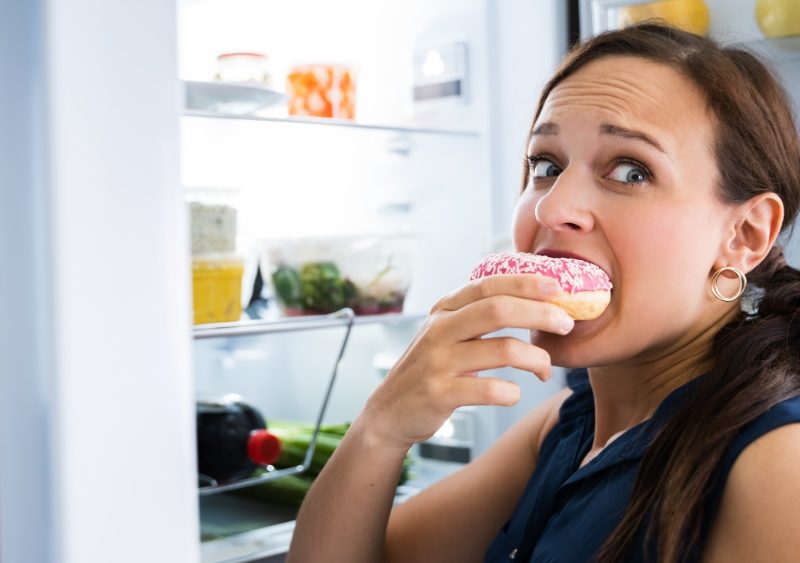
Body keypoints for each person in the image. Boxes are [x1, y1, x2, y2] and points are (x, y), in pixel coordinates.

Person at [287, 23, 800, 563]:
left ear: (744, 236)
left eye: (630, 171)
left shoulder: (777, 464)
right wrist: (380, 429)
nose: (551, 209)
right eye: (546, 165)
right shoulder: (567, 425)